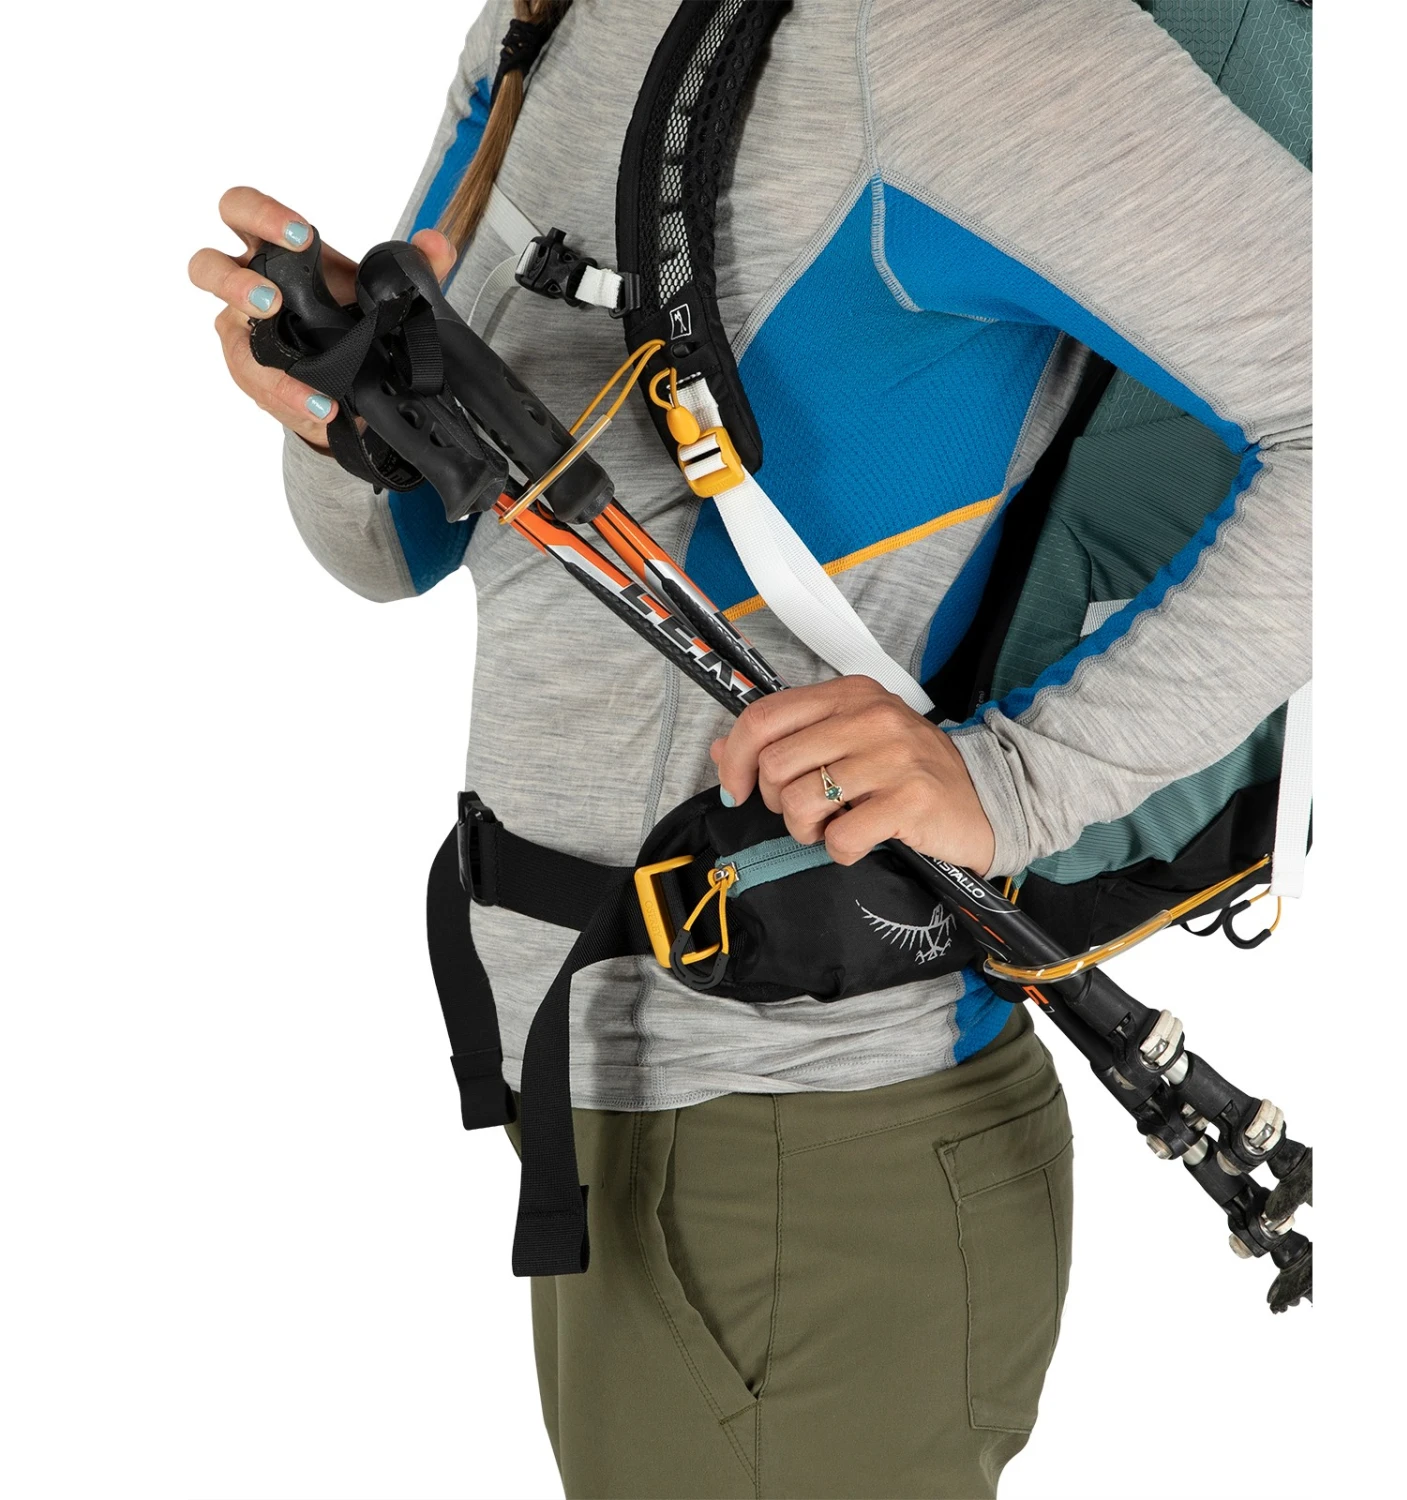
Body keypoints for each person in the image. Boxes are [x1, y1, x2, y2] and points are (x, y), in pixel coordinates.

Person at [189, 1, 1310, 1494]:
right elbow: (391, 553)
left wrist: (1020, 782)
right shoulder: (542, 23)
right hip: (621, 1107)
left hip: (809, 1146)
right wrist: (341, 414)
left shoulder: (929, 36)